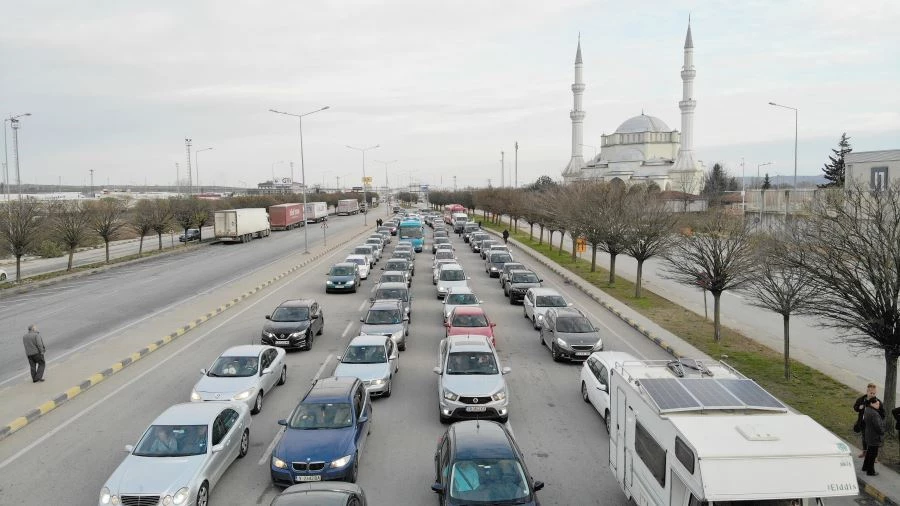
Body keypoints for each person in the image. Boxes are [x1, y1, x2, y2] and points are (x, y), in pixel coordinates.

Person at [853, 383, 885, 458]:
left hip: (873, 424)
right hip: (863, 422)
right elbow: (855, 407)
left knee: (873, 440)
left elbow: (883, 414)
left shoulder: (877, 402)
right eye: (871, 393)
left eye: (874, 393)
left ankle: (874, 457)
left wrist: (877, 410)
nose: (873, 395)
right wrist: (858, 408)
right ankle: (864, 452)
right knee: (864, 438)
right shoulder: (861, 399)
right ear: (867, 392)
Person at [861, 398, 885, 476]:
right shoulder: (874, 414)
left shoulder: (867, 409)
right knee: (873, 454)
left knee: (869, 452)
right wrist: (882, 431)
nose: (879, 405)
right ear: (872, 404)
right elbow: (878, 427)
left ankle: (865, 467)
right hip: (874, 436)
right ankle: (870, 471)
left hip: (869, 434)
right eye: (877, 404)